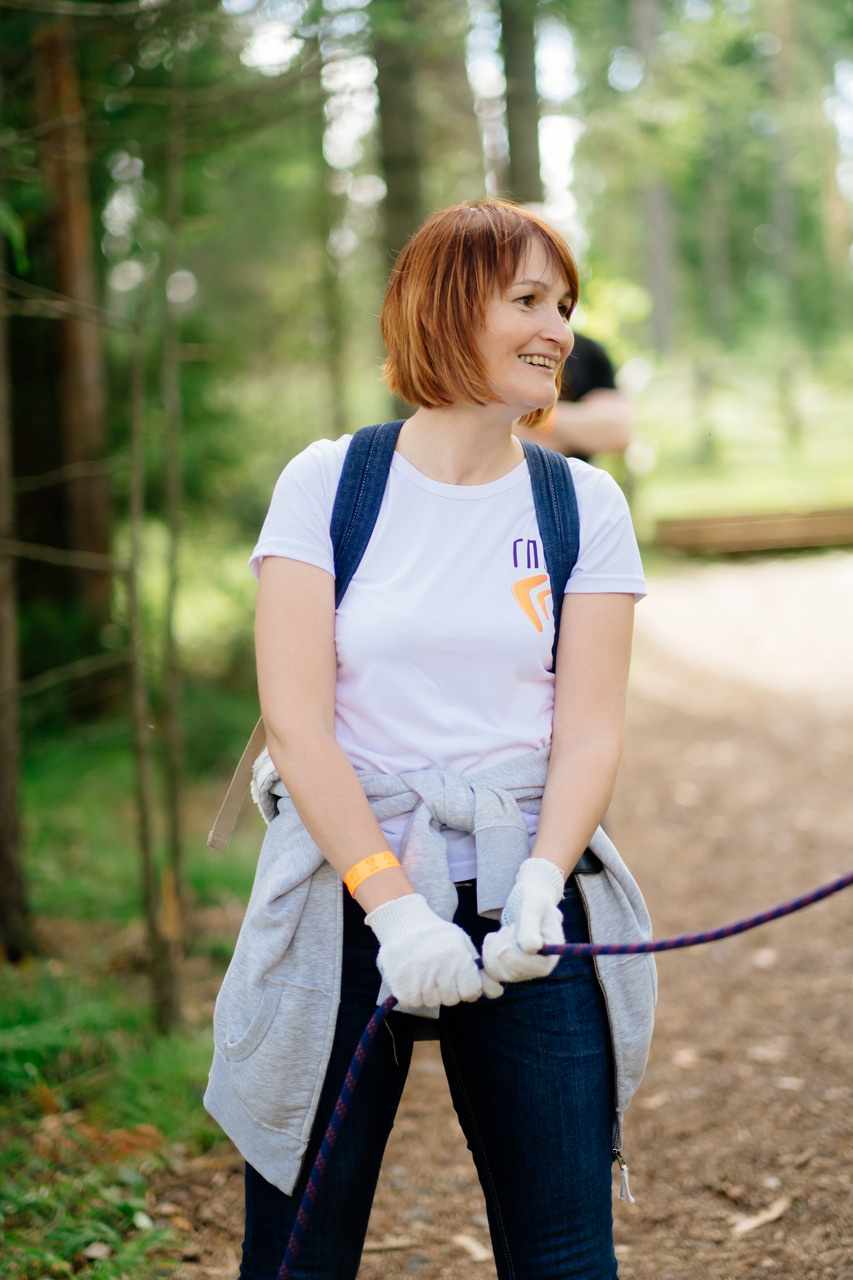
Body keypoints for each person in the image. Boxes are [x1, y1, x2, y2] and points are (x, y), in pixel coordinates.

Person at [204, 199, 656, 1280]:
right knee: (297, 1253)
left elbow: (588, 728)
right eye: (529, 302)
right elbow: (299, 721)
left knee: (564, 1255)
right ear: (451, 307)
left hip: (523, 904)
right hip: (346, 897)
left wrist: (545, 883)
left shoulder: (581, 504)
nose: (558, 330)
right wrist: (395, 910)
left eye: (564, 305)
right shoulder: (328, 482)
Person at [514, 330, 633, 464]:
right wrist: (575, 430)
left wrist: (535, 418)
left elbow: (618, 432)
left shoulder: (588, 352)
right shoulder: (505, 345)